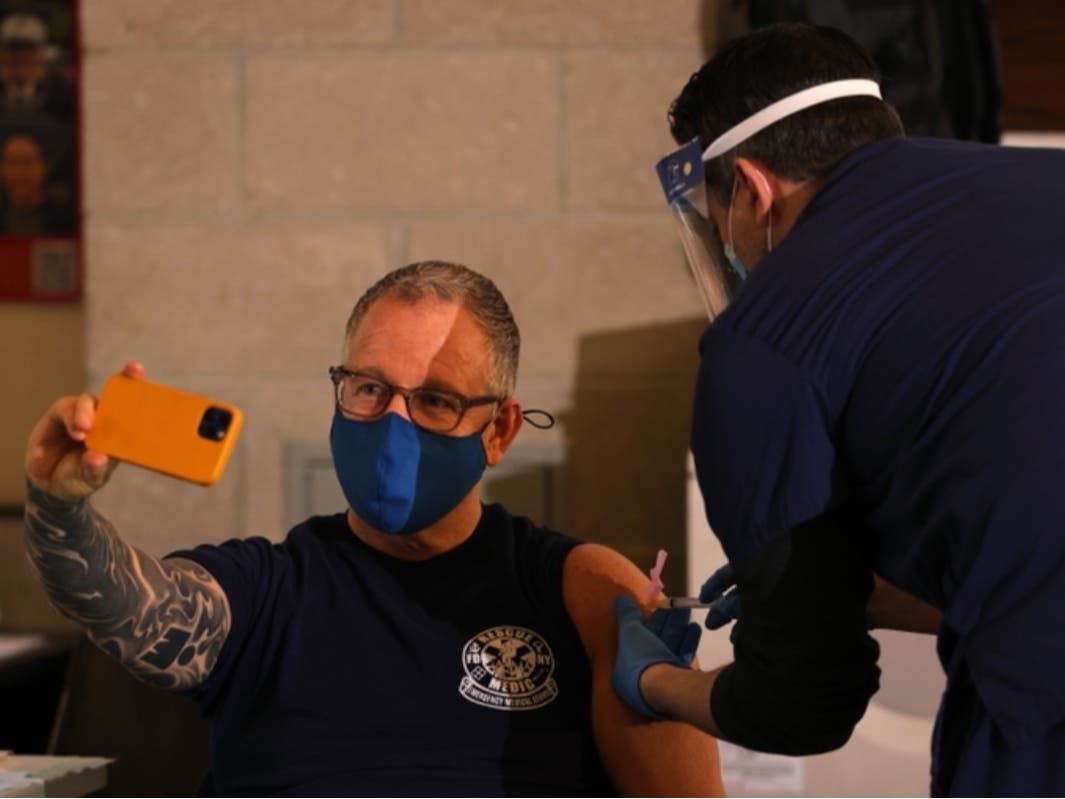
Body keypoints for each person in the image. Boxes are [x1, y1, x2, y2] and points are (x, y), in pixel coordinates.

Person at [24, 260, 723, 796]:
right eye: (368, 389)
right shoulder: (269, 592)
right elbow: (133, 611)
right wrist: (59, 506)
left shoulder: (580, 591)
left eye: (433, 400)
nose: (393, 422)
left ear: (499, 429)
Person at [610, 21, 1065, 797]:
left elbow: (801, 706)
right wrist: (851, 594)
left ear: (750, 192)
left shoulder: (762, 345)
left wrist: (652, 682)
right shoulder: (1040, 182)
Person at [0, 130, 73, 233]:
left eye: (28, 163)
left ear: (44, 168)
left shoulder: (66, 220)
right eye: (12, 163)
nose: (19, 173)